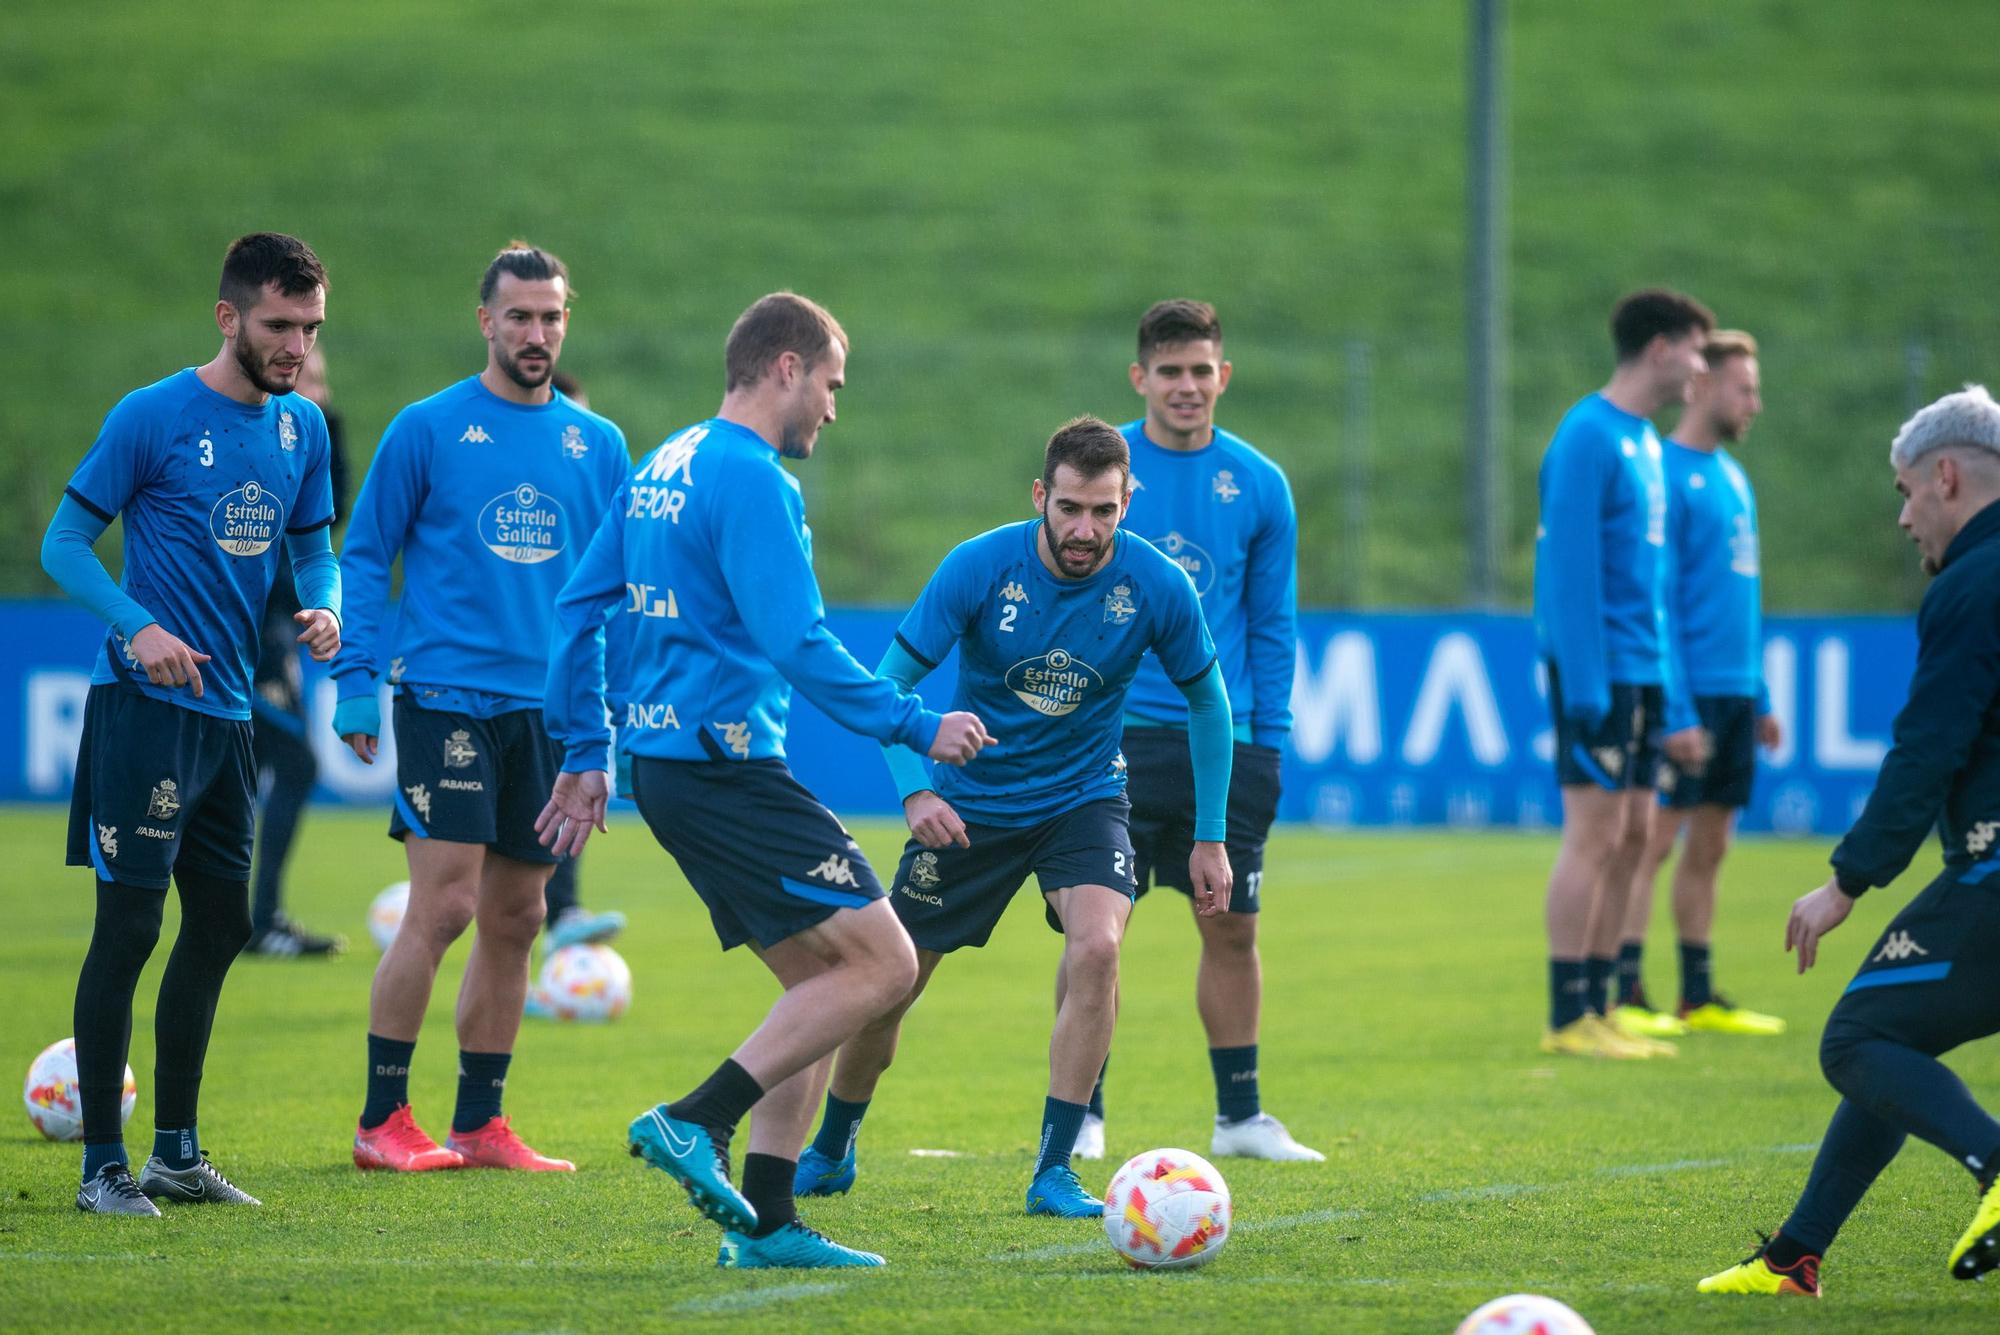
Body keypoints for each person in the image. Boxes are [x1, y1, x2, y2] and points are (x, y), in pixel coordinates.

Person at [538, 291, 991, 1268]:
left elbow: (575, 612)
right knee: (886, 965)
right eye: (830, 384)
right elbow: (798, 641)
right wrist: (914, 723)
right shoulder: (751, 482)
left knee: (823, 987)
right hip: (725, 768)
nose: (832, 408)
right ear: (786, 368)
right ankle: (693, 1120)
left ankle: (768, 1224)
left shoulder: (664, 462)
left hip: (670, 767)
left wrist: (585, 749)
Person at [793, 415, 1234, 1218]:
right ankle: (831, 1145)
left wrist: (1210, 836)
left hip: (1085, 798)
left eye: (1103, 510)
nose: (1084, 528)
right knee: (888, 983)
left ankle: (1055, 1169)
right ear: (1041, 495)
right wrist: (915, 790)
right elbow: (888, 679)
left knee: (1098, 946)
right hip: (970, 808)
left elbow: (1208, 700)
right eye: (1069, 507)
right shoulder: (980, 566)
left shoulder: (1158, 584)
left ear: (1127, 501)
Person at [42, 233, 341, 1213]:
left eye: (309, 327)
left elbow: (314, 550)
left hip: (229, 712)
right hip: (143, 707)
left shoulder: (302, 430)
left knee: (222, 919)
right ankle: (101, 1168)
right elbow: (67, 543)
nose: (295, 346)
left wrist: (324, 602)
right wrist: (140, 627)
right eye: (277, 325)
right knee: (128, 927)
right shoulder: (155, 415)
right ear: (228, 318)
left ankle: (176, 1152)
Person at [1698, 385, 2000, 1298]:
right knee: (1895, 1027)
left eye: (1908, 492)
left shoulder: (1974, 584)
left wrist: (1847, 881)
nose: (1906, 517)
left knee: (1860, 1034)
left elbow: (1928, 751)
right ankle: (1797, 1255)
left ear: (1946, 476)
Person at [333, 242, 626, 1173]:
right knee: (447, 903)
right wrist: (354, 682)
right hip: (444, 697)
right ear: (485, 322)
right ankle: (383, 1119)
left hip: (544, 716)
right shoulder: (426, 428)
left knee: (518, 915)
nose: (536, 333)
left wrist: (596, 736)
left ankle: (479, 1122)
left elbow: (608, 602)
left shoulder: (600, 443)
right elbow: (364, 555)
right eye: (519, 317)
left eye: (551, 317)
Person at [1058, 300, 1316, 1163]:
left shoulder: (1261, 485)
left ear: (1223, 377)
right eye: (1169, 371)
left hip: (1226, 743)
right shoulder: (1105, 476)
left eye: (1201, 370)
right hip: (1117, 738)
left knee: (1233, 926)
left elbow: (1271, 624)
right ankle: (1083, 1112)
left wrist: (1267, 738)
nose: (1186, 387)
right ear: (1140, 379)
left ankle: (1241, 1117)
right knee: (1101, 931)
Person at [1534, 288, 1712, 1059]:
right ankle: (1567, 1012)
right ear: (1663, 349)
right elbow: (1570, 576)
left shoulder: (1642, 441)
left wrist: (1669, 696)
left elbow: (1655, 590)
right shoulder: (1588, 435)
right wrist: (1588, 686)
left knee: (1637, 833)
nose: (1703, 366)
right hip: (1599, 669)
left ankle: (1603, 1000)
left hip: (1642, 667)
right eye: (1699, 349)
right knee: (1594, 835)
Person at [1612, 331, 1785, 1037]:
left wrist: (1762, 694)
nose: (1754, 403)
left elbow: (1736, 599)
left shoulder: (1733, 478)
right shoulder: (1667, 474)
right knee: (1651, 842)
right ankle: (1624, 988)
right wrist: (1678, 707)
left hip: (1736, 688)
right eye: (1744, 389)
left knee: (1712, 844)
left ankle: (1698, 990)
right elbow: (1661, 602)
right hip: (1688, 692)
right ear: (1705, 384)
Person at [244, 345, 351, 957]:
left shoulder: (309, 448)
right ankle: (257, 919)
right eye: (303, 377)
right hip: (251, 628)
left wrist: (325, 425)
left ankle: (255, 919)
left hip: (278, 625)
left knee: (260, 767)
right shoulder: (259, 447)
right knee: (289, 763)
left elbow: (328, 518)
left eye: (321, 377)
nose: (315, 388)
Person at [528, 367, 626, 965]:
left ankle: (562, 913)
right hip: (517, 676)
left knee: (573, 783)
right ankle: (557, 915)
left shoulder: (599, 498)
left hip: (580, 668)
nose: (579, 442)